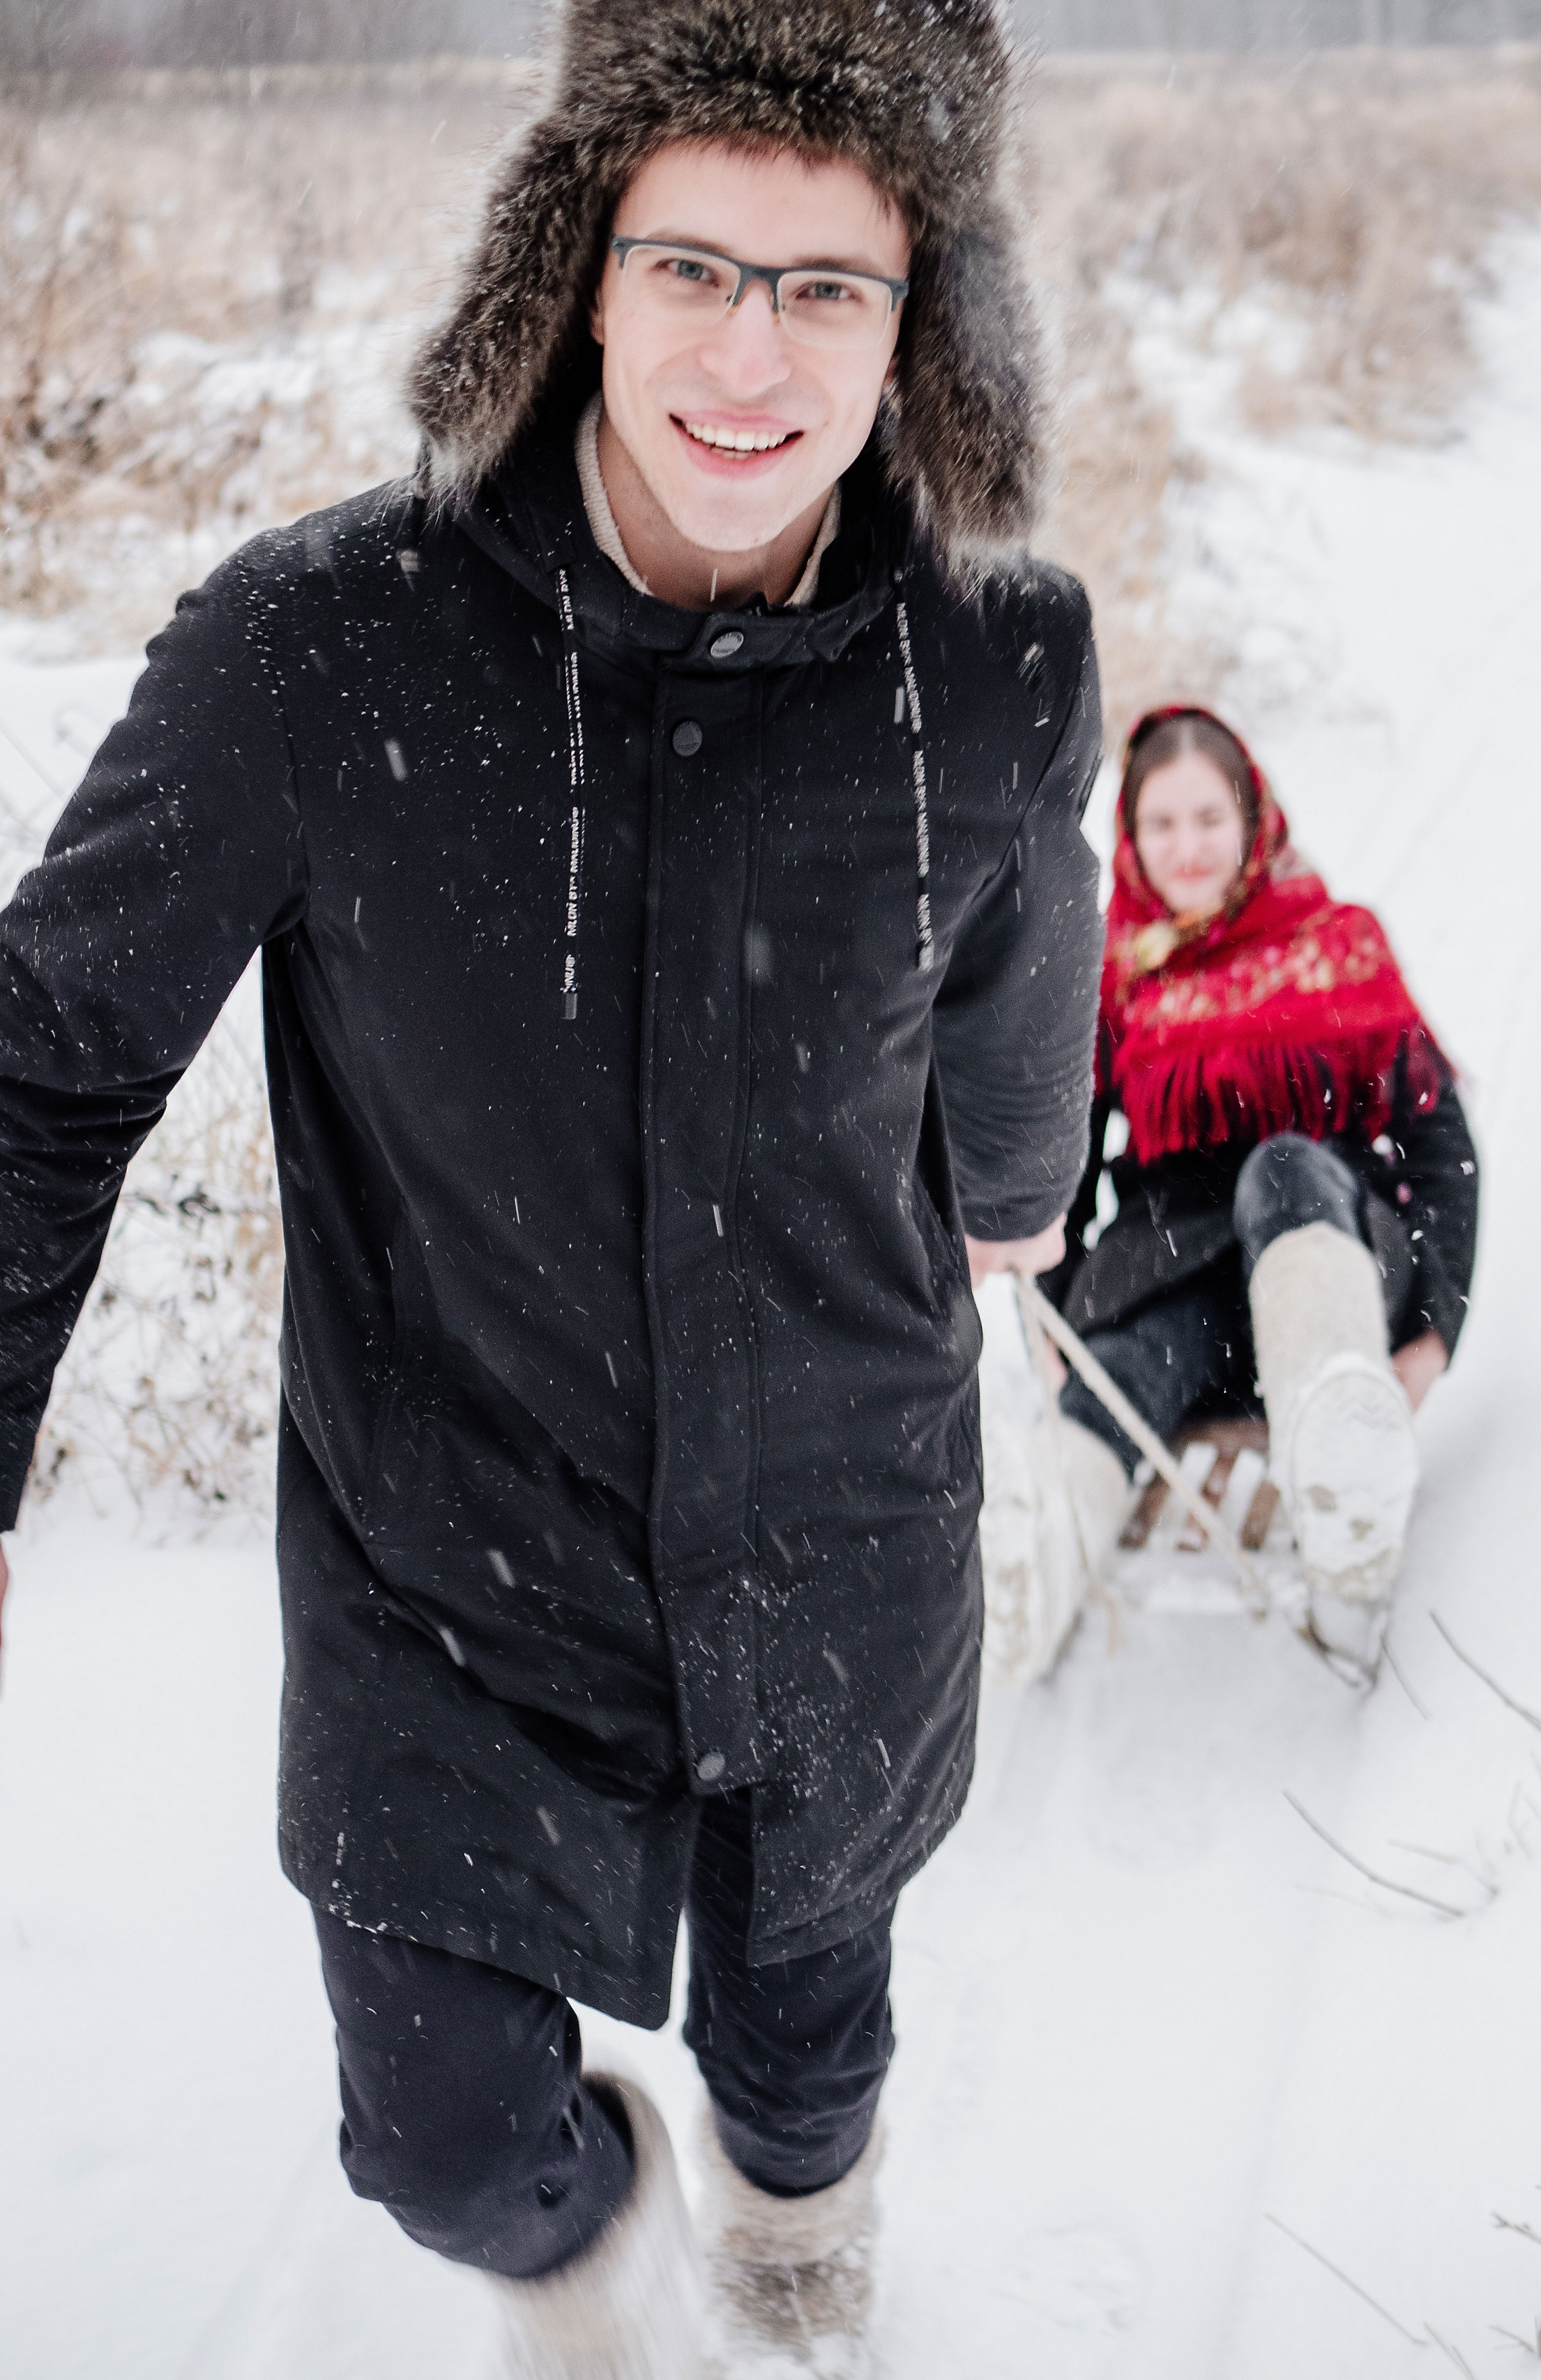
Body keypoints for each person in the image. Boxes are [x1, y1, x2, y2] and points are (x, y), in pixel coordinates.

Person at [0, 6, 1104, 2373]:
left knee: (805, 2055)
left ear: (925, 321)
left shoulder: (995, 661)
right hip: (450, 1562)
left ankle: (796, 2248)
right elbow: (45, 1056)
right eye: (690, 264)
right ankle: (588, 2256)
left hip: (839, 1529)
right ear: (576, 268)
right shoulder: (323, 646)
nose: (749, 355)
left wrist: (1020, 1184)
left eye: (828, 287)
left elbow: (1026, 955)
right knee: (442, 2142)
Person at [1042, 704, 1478, 1668]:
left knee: (1279, 1164)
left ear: (1253, 817)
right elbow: (1061, 1162)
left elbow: (1442, 1148)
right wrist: (1057, 1328)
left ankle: (1349, 1528)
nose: (1187, 847)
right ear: (1130, 836)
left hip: (1335, 1266)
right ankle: (1030, 1574)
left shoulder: (1340, 945)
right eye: (1161, 823)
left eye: (1209, 818)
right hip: (1183, 1279)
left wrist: (1433, 1335)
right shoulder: (1115, 976)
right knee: (1126, 1364)